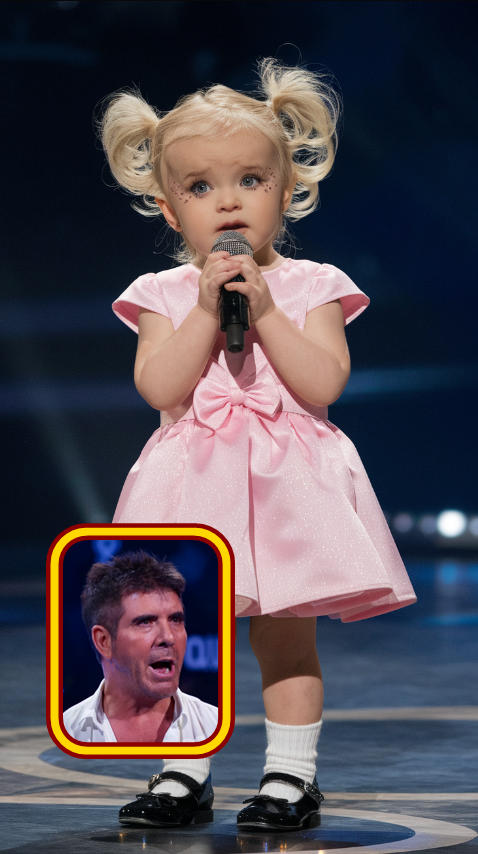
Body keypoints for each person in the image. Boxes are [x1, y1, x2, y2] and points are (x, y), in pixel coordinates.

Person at [99, 58, 416, 829]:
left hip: (287, 489)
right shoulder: (163, 295)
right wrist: (207, 310)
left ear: (287, 189)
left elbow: (323, 381)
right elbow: (161, 388)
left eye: (250, 180)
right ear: (170, 208)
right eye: (200, 187)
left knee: (286, 638)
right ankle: (182, 772)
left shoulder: (314, 284)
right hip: (191, 486)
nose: (229, 200)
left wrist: (266, 310)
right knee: (181, 634)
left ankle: (290, 778)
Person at [63, 551, 218, 746]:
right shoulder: (68, 731)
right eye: (146, 622)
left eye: (176, 620)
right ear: (104, 641)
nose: (168, 637)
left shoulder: (213, 726)